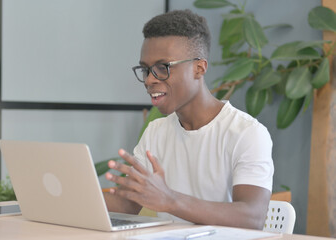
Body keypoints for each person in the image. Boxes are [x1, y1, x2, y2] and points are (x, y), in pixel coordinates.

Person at [103, 9, 274, 230]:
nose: (150, 80)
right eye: (146, 70)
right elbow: (128, 205)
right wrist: (67, 195)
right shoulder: (156, 131)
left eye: (162, 68)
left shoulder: (247, 133)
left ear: (199, 68)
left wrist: (170, 200)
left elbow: (252, 217)